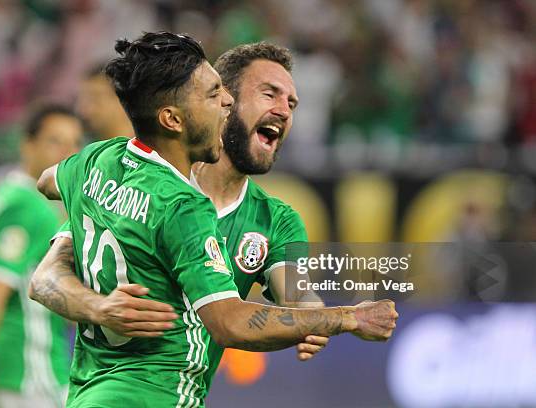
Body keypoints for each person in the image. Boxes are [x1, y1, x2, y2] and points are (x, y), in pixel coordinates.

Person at [32, 31, 397, 408]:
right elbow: (45, 277)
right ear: (227, 100)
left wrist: (311, 313)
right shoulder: (176, 201)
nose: (285, 111)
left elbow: (298, 293)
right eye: (269, 94)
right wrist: (97, 307)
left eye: (292, 103)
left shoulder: (275, 220)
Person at [0, 105, 84, 408]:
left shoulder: (20, 198)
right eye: (54, 141)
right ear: (27, 144)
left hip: (9, 370)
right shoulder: (24, 205)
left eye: (74, 143)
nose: (67, 152)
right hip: (29, 370)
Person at [76, 64, 135, 140]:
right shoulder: (81, 146)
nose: (84, 109)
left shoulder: (150, 146)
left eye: (95, 99)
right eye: (82, 99)